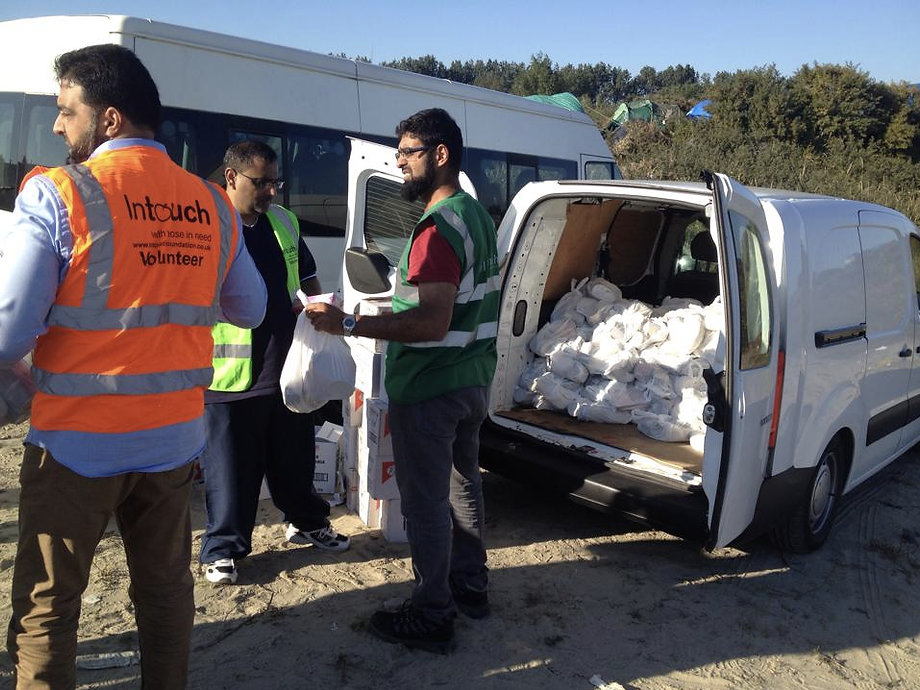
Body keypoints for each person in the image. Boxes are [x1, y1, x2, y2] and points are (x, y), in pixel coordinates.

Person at [0, 44, 267, 688]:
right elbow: (252, 308)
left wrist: (28, 369)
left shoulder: (60, 193)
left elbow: (7, 333)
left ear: (110, 119)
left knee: (48, 608)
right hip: (171, 445)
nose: (58, 126)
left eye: (66, 111)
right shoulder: (210, 203)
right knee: (166, 592)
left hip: (74, 446)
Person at [305, 108, 499, 653]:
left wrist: (349, 322)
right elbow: (457, 306)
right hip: (469, 380)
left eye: (409, 154)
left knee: (425, 503)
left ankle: (434, 613)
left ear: (440, 155)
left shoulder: (437, 229)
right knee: (464, 487)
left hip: (432, 385)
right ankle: (470, 586)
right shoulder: (475, 216)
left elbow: (432, 320)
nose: (401, 164)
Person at [199, 140, 350, 586]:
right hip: (229, 376)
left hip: (286, 369)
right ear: (231, 177)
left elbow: (306, 278)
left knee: (294, 458)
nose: (270, 192)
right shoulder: (211, 224)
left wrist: (316, 307)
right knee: (231, 469)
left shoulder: (282, 222)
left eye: (274, 182)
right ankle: (223, 548)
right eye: (260, 182)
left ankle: (306, 522)